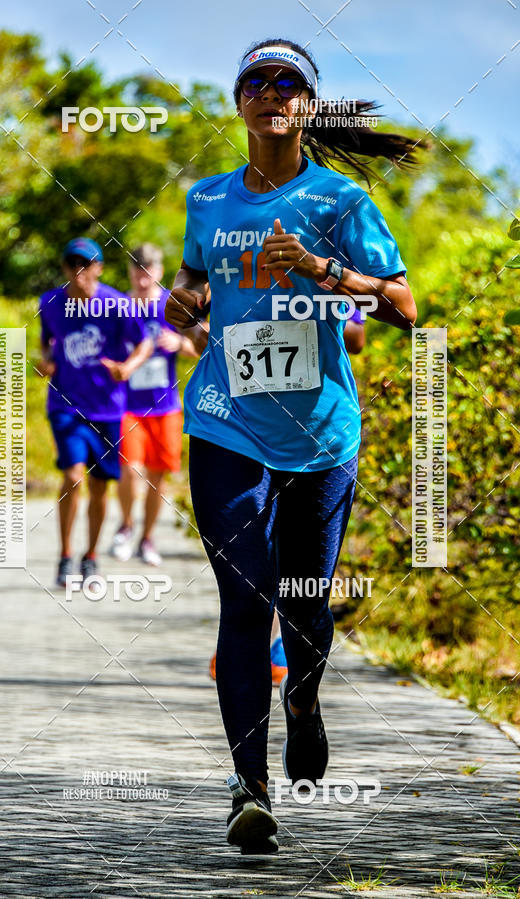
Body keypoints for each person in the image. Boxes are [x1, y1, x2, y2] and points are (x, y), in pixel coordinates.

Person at [165, 39, 420, 854]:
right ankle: (250, 788)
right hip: (223, 420)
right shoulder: (207, 201)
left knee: (305, 605)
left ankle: (303, 702)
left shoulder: (341, 202)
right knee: (245, 600)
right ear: (238, 102)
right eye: (256, 81)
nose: (272, 92)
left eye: (289, 83)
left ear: (309, 105)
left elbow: (405, 307)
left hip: (319, 435)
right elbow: (198, 287)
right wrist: (186, 304)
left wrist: (320, 269)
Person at [207, 311, 366, 684]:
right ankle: (254, 639)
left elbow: (357, 337)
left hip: (313, 430)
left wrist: (327, 317)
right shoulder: (230, 259)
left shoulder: (330, 258)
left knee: (297, 555)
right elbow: (201, 328)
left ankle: (281, 643)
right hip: (242, 429)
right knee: (254, 548)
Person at [37, 237, 152, 587]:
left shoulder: (116, 304)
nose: (79, 272)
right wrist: (44, 362)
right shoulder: (51, 302)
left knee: (100, 487)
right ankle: (65, 555)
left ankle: (90, 555)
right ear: (65, 268)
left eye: (86, 264)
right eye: (72, 264)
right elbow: (46, 340)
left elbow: (145, 341)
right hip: (65, 404)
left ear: (99, 268)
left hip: (107, 409)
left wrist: (128, 368)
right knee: (73, 476)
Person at [109, 244, 199, 566]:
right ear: (130, 273)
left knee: (157, 476)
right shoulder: (118, 307)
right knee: (130, 469)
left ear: (160, 272)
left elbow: (202, 344)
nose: (143, 279)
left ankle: (147, 538)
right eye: (137, 272)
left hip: (165, 406)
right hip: (128, 406)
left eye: (148, 272)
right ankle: (125, 525)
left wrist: (180, 343)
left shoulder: (171, 304)